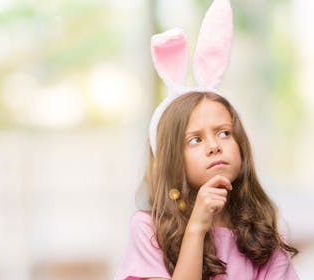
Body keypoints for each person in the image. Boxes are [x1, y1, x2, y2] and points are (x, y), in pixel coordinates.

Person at [115, 0, 299, 279]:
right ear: (171, 160)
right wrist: (197, 227)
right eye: (195, 140)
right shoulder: (149, 230)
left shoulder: (261, 236)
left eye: (224, 133)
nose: (214, 146)